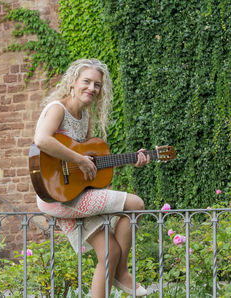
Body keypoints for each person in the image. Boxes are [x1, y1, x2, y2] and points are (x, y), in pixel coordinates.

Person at [34, 58, 149, 296]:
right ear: (73, 82)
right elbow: (42, 140)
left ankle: (116, 270)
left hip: (74, 192)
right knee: (136, 205)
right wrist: (78, 160)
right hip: (56, 197)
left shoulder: (85, 117)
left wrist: (131, 159)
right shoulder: (58, 109)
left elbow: (90, 165)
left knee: (110, 253)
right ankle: (122, 273)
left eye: (97, 85)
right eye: (86, 81)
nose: (92, 88)